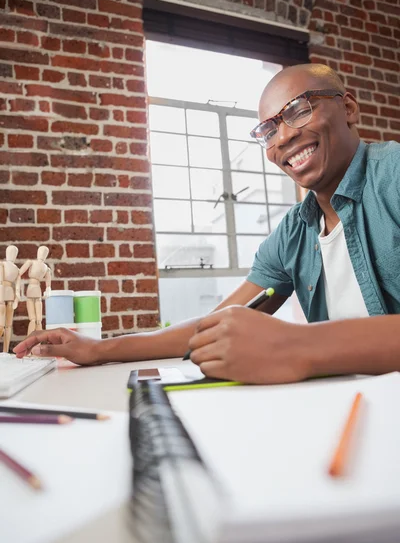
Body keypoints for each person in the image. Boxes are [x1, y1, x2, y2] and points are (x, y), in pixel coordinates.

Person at [14, 64, 400, 384]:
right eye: (268, 129)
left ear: (348, 108)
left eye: (299, 110)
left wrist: (296, 346)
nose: (283, 136)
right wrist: (99, 349)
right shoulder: (296, 231)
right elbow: (216, 324)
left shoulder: (393, 176)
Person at [0, 245, 20, 353]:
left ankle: (5, 351)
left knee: (8, 326)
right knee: (1, 325)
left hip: (10, 296)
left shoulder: (17, 269)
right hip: (2, 295)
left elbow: (17, 288)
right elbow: (0, 282)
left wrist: (16, 299)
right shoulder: (2, 265)